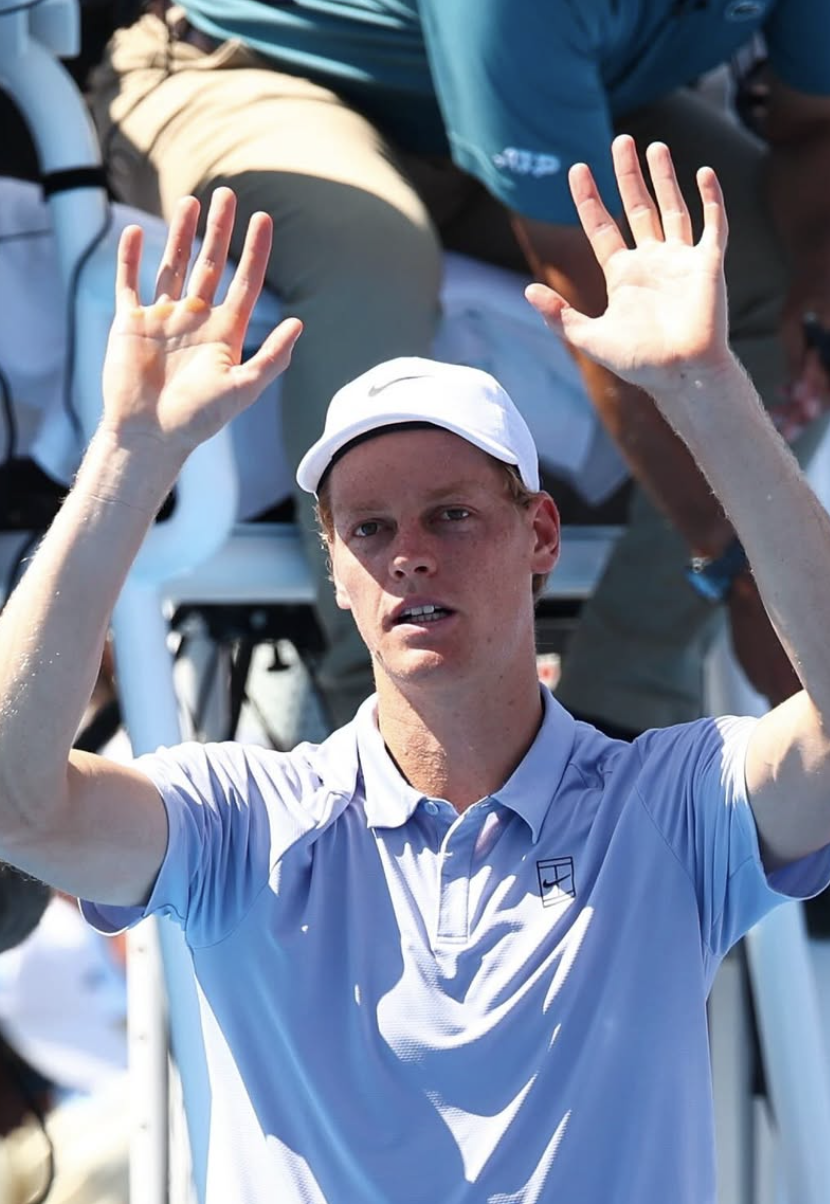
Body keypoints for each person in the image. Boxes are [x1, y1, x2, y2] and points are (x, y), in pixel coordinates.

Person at [2, 136, 830, 1202]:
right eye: (369, 529)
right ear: (337, 570)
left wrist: (706, 389)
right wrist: (128, 455)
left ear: (539, 534)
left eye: (450, 515)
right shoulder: (236, 816)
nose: (408, 556)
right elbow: (17, 806)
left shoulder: (669, 804)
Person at [86, 0, 830, 735]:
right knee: (374, 256)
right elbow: (602, 304)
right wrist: (733, 562)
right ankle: (390, 733)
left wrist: (817, 282)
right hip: (243, 71)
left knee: (750, 272)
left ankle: (620, 727)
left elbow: (812, 126)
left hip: (530, 107)